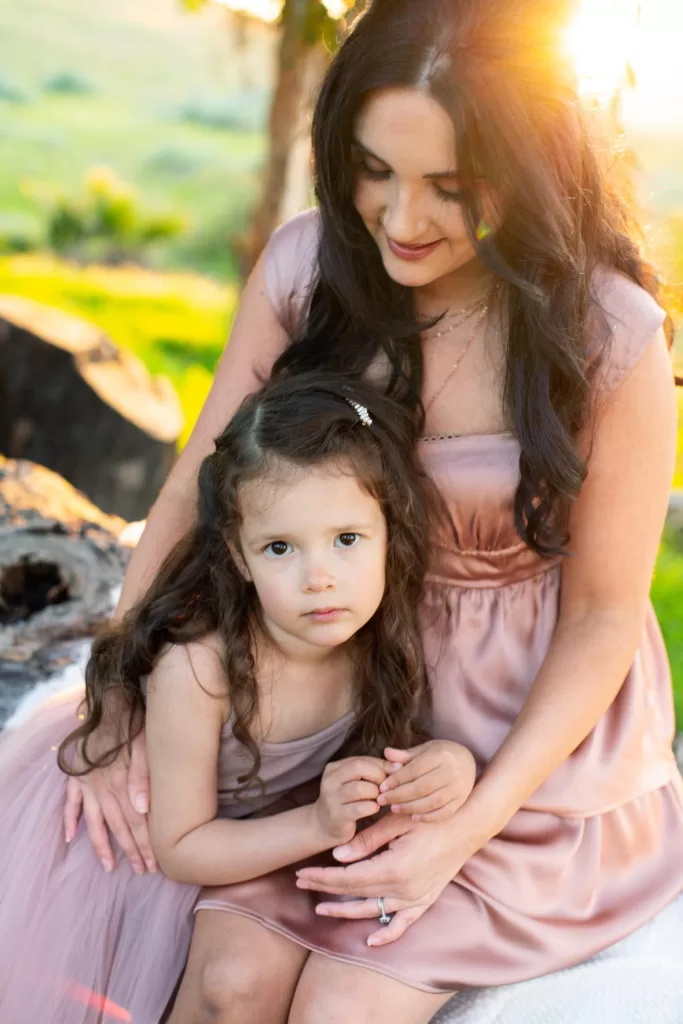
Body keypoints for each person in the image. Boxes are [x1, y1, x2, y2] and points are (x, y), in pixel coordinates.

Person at [66, 0, 683, 1021]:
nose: (399, 219)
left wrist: (467, 824)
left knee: (345, 1005)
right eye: (373, 169)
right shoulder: (311, 269)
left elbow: (604, 617)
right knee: (227, 987)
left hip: (517, 757)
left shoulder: (607, 333)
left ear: (528, 171)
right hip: (329, 717)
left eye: (450, 186)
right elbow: (193, 485)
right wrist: (116, 687)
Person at [0, 373, 476, 1023]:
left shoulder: (383, 638)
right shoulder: (201, 668)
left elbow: (406, 749)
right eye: (280, 548)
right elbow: (182, 846)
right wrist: (314, 825)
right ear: (240, 556)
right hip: (131, 847)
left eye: (346, 539)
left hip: (248, 839)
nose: (319, 579)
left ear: (387, 530)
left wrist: (450, 765)